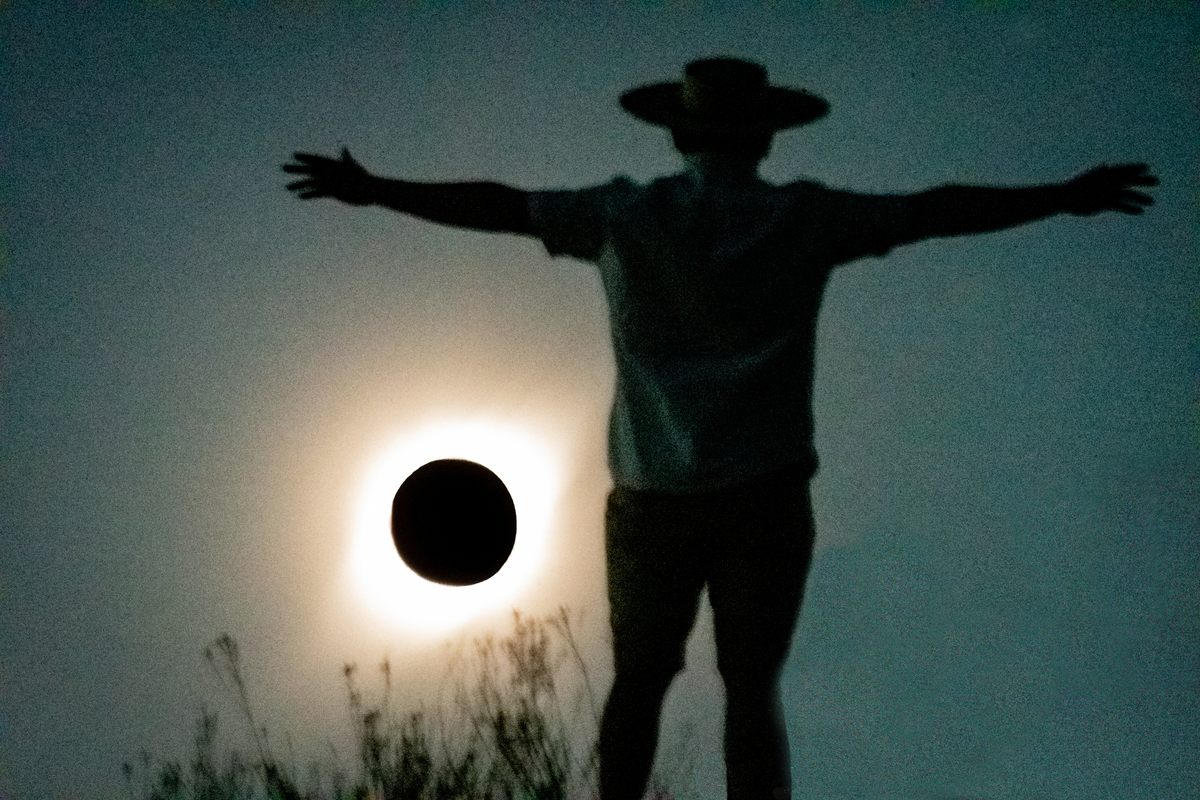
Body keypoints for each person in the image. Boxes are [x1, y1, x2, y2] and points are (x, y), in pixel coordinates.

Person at [282, 57, 1157, 800]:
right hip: (766, 495)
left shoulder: (625, 215)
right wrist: (1060, 196)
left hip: (655, 496)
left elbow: (501, 204)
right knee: (751, 688)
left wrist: (377, 191)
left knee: (638, 683)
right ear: (768, 137)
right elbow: (936, 208)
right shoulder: (805, 218)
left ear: (676, 134)